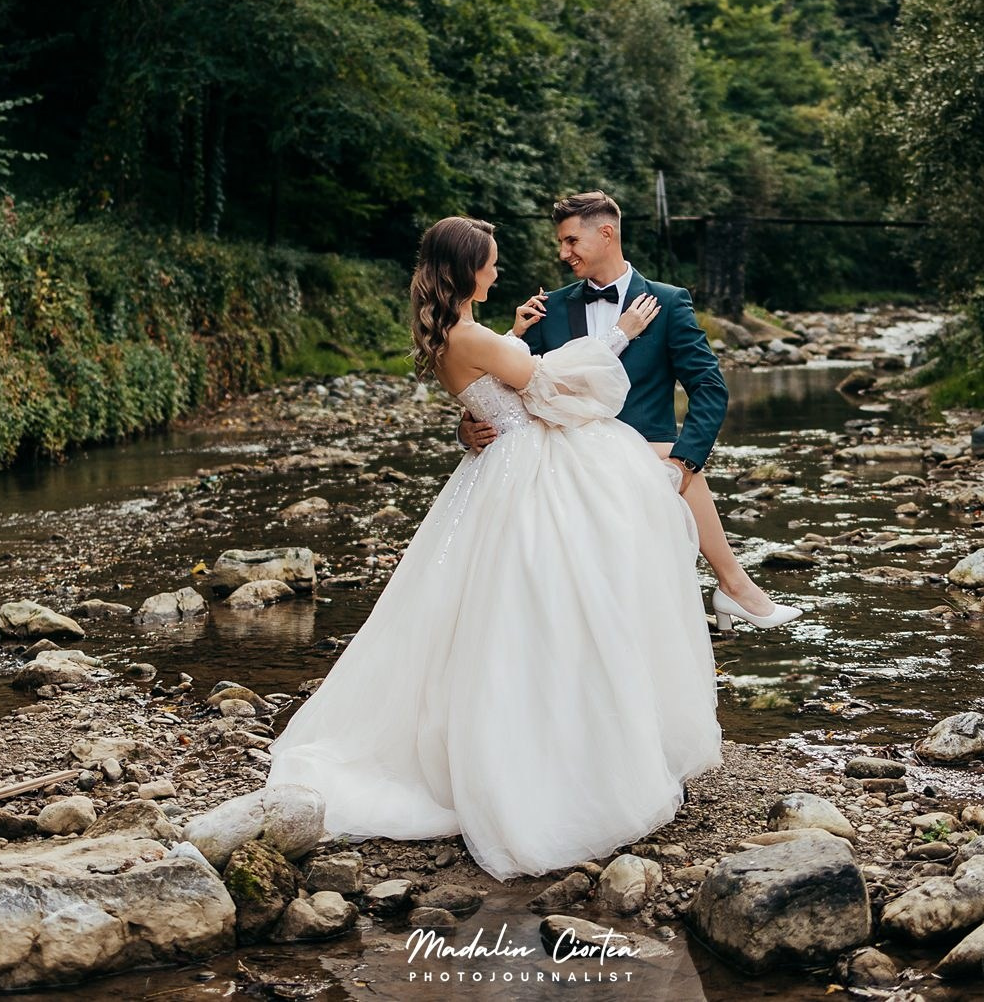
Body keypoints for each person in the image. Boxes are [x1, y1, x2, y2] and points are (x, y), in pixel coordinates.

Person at [265, 217, 721, 880]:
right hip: (528, 477)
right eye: (492, 262)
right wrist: (618, 336)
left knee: (494, 617)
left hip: (495, 475)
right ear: (467, 269)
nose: (500, 270)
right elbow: (549, 388)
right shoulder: (475, 335)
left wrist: (504, 346)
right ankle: (561, 760)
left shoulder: (459, 335)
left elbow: (492, 384)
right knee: (554, 611)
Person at [461, 191, 803, 632]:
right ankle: (733, 587)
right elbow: (507, 387)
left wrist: (684, 462)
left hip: (644, 457)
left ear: (606, 234)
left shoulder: (668, 302)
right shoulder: (548, 309)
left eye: (570, 241)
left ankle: (728, 593)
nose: (562, 253)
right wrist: (466, 430)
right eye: (561, 243)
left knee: (642, 613)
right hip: (566, 463)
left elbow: (709, 388)